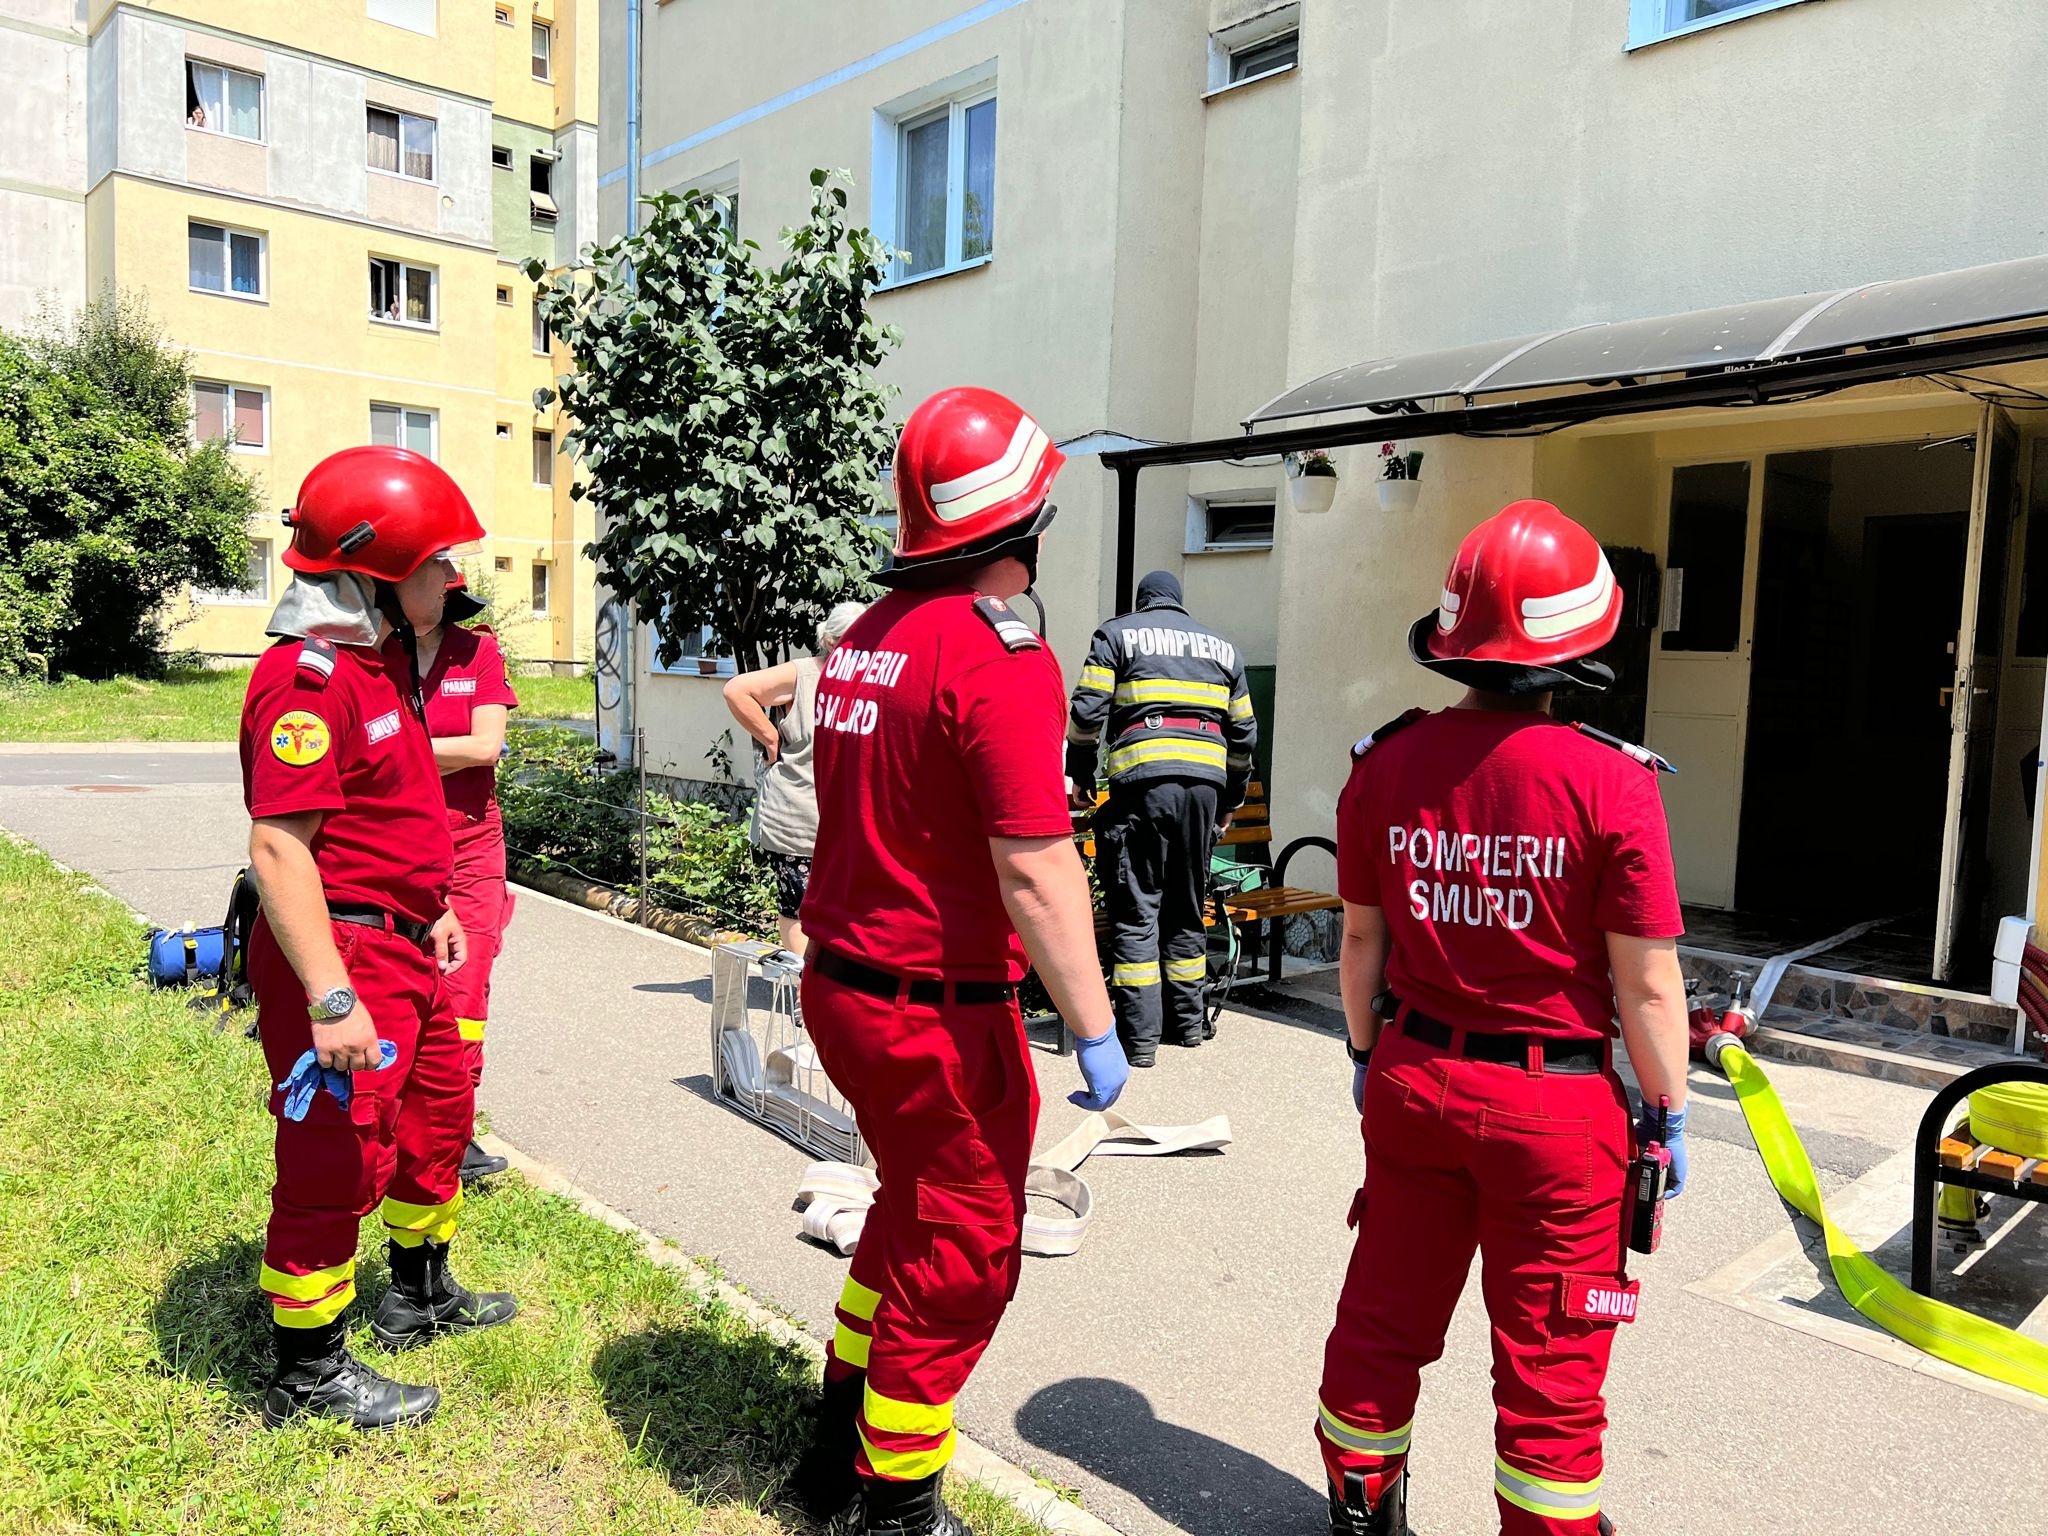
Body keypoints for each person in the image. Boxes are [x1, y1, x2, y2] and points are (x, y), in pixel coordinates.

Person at [1314, 500, 1690, 1536]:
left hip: (1410, 1082)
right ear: (1580, 646)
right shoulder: (1614, 784)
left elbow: (1359, 947)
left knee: (1380, 1325)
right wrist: (1665, 1112)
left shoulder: (1381, 764)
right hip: (1555, 1116)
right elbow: (1647, 988)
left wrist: (1361, 1055)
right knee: (1552, 1368)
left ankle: (1359, 1512)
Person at [791, 387, 1130, 1536]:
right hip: (932, 1010)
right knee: (967, 1249)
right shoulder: (999, 657)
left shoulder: (867, 641)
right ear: (1021, 524)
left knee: (905, 1209)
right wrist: (1094, 1025)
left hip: (846, 984)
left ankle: (837, 1430)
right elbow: (1035, 870)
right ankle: (897, 1506)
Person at [241, 445, 518, 1432]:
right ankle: (306, 1371)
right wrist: (331, 996)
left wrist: (434, 902)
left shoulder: (378, 667)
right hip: (350, 960)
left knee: (436, 1120)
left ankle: (419, 1290)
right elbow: (280, 848)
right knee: (333, 1156)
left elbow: (387, 811)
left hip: (410, 944)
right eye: (436, 562)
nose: (452, 577)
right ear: (376, 571)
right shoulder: (306, 681)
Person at [1065, 569, 1256, 1065]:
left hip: (1143, 785)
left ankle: (1141, 1043)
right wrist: (1230, 801)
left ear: (1143, 602)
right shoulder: (1224, 650)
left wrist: (1080, 774)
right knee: (1187, 910)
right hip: (1204, 792)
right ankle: (1189, 1028)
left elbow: (1086, 717)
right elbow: (1244, 736)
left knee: (1137, 911)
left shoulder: (1116, 635)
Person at [408, 572, 519, 1185]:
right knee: (401, 980)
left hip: (472, 846)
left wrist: (394, 742)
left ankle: (454, 1132)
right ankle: (404, 1121)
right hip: (401, 840)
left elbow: (484, 747)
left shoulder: (478, 650)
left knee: (464, 991)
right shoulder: (376, 656)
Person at [721, 600, 868, 956]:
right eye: (855, 641)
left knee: (850, 910)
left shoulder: (872, 677)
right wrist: (770, 739)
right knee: (798, 906)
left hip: (850, 824)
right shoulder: (804, 674)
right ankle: (806, 994)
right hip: (798, 816)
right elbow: (736, 689)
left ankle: (831, 991)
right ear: (831, 642)